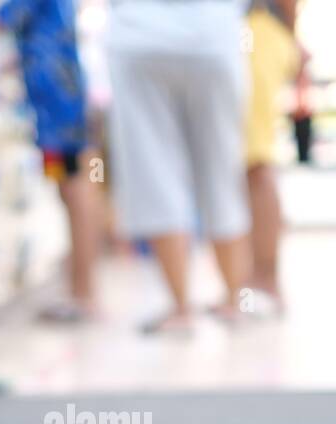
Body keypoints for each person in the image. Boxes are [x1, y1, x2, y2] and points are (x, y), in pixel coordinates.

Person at [105, 0, 252, 334]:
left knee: (153, 172)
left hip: (141, 34)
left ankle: (180, 308)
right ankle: (234, 300)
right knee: (223, 169)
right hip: (215, 34)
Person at [0, 0, 99, 321]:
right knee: (70, 191)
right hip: (60, 97)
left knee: (73, 192)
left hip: (56, 103)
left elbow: (3, 19)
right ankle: (82, 291)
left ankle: (84, 295)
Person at [243, 0, 301, 316]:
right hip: (252, 33)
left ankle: (267, 280)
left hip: (260, 32)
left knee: (256, 163)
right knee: (248, 165)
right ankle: (252, 279)